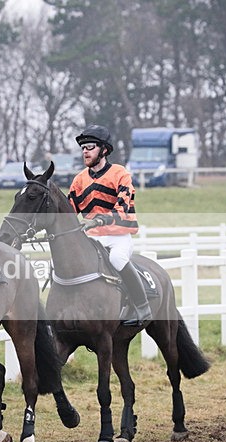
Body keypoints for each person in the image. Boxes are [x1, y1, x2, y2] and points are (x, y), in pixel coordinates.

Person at [68, 124, 152, 327]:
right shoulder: (79, 180)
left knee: (116, 258)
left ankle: (142, 307)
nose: (85, 151)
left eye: (90, 147)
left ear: (104, 150)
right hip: (92, 237)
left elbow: (122, 207)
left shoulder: (120, 174)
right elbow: (70, 212)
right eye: (83, 148)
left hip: (118, 236)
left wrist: (101, 219)